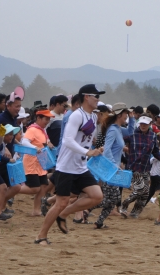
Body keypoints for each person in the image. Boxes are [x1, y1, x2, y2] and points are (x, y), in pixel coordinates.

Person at [34, 84, 105, 245]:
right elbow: (67, 140)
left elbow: (85, 140)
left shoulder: (93, 116)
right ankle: (41, 236)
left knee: (96, 196)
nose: (98, 100)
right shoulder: (76, 115)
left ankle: (64, 214)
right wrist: (87, 152)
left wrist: (95, 149)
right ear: (86, 96)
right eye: (96, 96)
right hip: (66, 166)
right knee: (61, 202)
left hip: (80, 166)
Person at [94, 103, 134, 229]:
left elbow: (130, 132)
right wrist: (113, 165)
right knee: (112, 198)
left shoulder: (118, 128)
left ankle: (98, 222)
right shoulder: (113, 130)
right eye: (126, 114)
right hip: (109, 168)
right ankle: (87, 208)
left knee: (113, 198)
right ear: (120, 114)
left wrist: (132, 119)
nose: (127, 116)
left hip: (113, 168)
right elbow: (107, 149)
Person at [120, 116, 160, 218]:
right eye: (141, 124)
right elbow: (119, 142)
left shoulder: (153, 136)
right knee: (141, 189)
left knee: (145, 193)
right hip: (133, 166)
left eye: (145, 124)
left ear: (150, 124)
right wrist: (122, 149)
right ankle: (124, 205)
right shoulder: (132, 134)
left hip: (145, 168)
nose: (143, 126)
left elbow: (155, 152)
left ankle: (135, 213)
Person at [20, 109, 56, 216]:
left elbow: (46, 141)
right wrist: (35, 147)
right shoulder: (32, 129)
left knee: (43, 187)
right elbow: (24, 141)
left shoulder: (42, 130)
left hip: (41, 163)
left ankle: (36, 210)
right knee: (35, 188)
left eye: (49, 119)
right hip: (31, 163)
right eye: (46, 119)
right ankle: (13, 189)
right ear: (39, 118)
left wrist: (49, 144)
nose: (47, 121)